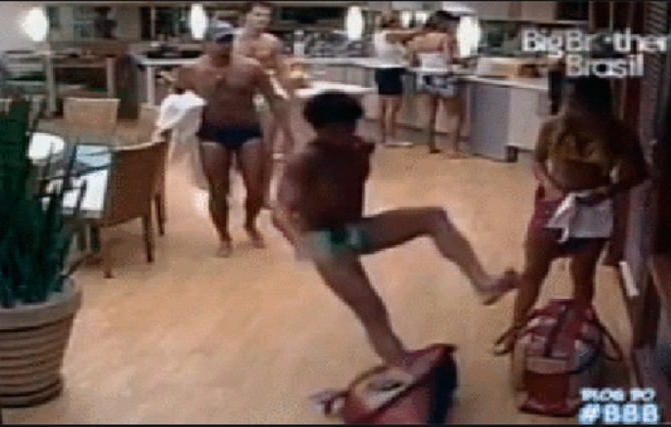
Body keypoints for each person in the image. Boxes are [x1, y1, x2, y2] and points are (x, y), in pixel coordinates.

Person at [272, 91, 519, 369]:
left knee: (434, 217)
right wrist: (301, 244)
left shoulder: (357, 148)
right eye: (338, 130)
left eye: (350, 126)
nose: (346, 134)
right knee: (370, 308)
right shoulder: (304, 161)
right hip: (326, 241)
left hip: (356, 228)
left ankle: (483, 284)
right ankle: (399, 362)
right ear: (320, 129)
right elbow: (280, 211)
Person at [492, 75, 648, 355]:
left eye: (579, 101)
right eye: (570, 99)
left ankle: (579, 333)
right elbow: (537, 160)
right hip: (553, 207)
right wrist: (549, 185)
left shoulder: (618, 132)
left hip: (593, 211)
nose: (573, 106)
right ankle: (516, 329)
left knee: (583, 277)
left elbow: (639, 172)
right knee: (533, 272)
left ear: (598, 104)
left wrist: (608, 191)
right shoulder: (553, 126)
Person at [176, 22, 280, 257]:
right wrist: (175, 127)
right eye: (220, 41)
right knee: (218, 189)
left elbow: (273, 99)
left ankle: (250, 223)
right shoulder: (192, 70)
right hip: (212, 132)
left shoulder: (250, 67)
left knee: (255, 187)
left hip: (247, 129)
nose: (226, 46)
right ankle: (223, 235)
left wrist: (285, 133)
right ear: (206, 44)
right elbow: (175, 100)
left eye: (229, 40)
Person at [233, 1, 296, 204]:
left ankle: (265, 194)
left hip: (266, 97)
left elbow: (281, 70)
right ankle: (241, 190)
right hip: (239, 98)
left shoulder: (272, 42)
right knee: (239, 146)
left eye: (266, 16)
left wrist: (286, 92)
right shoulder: (233, 41)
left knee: (267, 148)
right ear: (246, 17)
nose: (262, 20)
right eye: (258, 15)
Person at [407, 10, 463, 156]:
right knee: (453, 114)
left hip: (424, 76)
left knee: (429, 113)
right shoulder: (445, 38)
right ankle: (452, 148)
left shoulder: (418, 39)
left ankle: (429, 145)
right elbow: (449, 59)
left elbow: (412, 61)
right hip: (443, 76)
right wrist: (460, 60)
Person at [371, 12, 426, 148]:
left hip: (382, 70)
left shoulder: (378, 35)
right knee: (392, 107)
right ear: (392, 23)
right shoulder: (389, 34)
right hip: (391, 72)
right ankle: (391, 138)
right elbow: (410, 34)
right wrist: (423, 29)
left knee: (383, 106)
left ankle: (382, 137)